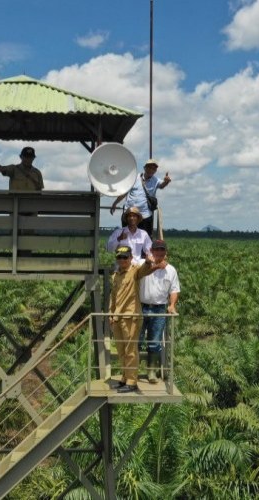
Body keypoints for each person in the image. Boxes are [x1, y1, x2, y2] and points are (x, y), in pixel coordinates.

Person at [108, 245, 164, 393]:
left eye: (125, 257)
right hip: (117, 318)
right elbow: (113, 297)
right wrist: (110, 313)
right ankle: (124, 378)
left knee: (130, 350)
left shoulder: (134, 271)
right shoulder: (115, 275)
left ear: (131, 258)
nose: (122, 260)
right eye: (119, 257)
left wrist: (147, 261)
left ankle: (132, 381)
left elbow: (145, 270)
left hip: (131, 316)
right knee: (121, 350)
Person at [138, 239, 180, 383]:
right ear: (151, 251)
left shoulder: (171, 270)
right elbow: (133, 267)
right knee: (136, 340)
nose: (159, 253)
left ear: (165, 252)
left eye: (162, 250)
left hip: (159, 309)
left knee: (154, 342)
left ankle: (151, 372)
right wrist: (149, 262)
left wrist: (172, 304)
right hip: (141, 307)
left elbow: (174, 289)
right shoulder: (142, 264)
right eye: (156, 250)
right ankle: (132, 372)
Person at [110, 158, 171, 236]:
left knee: (144, 239)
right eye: (149, 167)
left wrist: (166, 182)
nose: (151, 170)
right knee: (127, 239)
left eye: (154, 168)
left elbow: (162, 185)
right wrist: (115, 203)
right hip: (129, 214)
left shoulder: (155, 180)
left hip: (145, 216)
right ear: (145, 168)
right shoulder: (134, 178)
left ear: (155, 171)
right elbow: (124, 193)